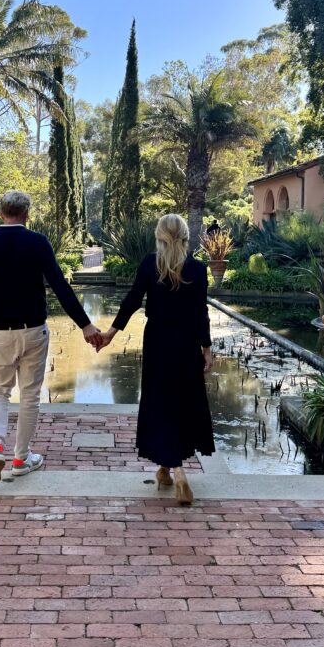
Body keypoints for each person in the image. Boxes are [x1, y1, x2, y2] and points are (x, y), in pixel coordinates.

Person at [0, 190, 102, 485]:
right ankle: (20, 458)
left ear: (0, 213)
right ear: (26, 214)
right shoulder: (38, 242)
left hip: (0, 333)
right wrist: (85, 325)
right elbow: (59, 285)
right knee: (30, 396)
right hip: (33, 331)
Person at [97, 213, 215, 505]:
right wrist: (207, 348)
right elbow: (201, 312)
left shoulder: (151, 264)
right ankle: (166, 469)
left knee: (161, 404)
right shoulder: (198, 269)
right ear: (186, 237)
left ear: (159, 236)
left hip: (158, 343)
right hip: (187, 344)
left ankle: (177, 471)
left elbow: (133, 299)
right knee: (181, 404)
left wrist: (111, 332)